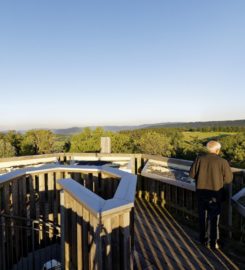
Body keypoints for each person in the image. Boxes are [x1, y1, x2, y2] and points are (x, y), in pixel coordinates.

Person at [189, 140, 233, 249]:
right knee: (213, 219)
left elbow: (192, 174)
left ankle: (202, 239)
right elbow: (228, 179)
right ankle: (213, 242)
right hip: (215, 195)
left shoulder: (199, 159)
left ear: (208, 149)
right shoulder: (223, 162)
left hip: (201, 194)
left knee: (202, 217)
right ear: (217, 150)